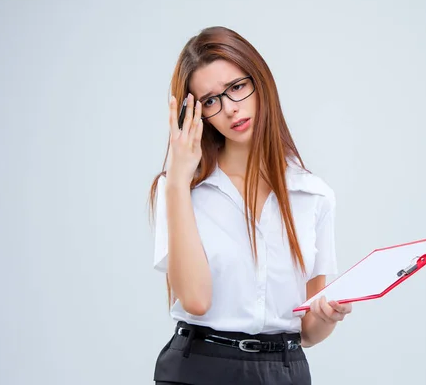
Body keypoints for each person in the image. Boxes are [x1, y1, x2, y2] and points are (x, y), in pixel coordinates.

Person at [148, 26, 352, 385]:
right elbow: (195, 300)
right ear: (195, 114)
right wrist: (179, 179)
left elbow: (307, 331)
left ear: (260, 82)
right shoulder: (180, 190)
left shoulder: (314, 196)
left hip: (284, 370)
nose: (230, 109)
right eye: (211, 101)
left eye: (237, 88)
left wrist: (328, 315)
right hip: (198, 368)